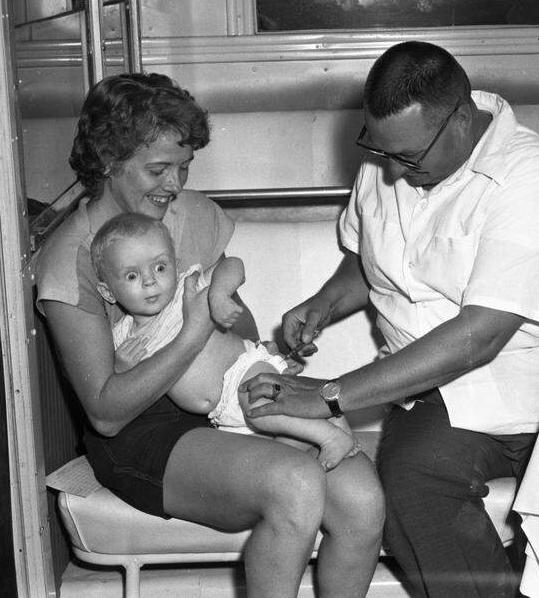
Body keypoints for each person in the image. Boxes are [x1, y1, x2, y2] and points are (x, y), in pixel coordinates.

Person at [243, 41, 539, 598]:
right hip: (433, 386)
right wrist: (326, 302)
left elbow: (482, 335)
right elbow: (368, 258)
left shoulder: (534, 177)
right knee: (411, 479)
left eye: (408, 157)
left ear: (462, 119)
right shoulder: (390, 158)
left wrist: (329, 394)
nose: (395, 174)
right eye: (381, 152)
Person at [35, 73, 384, 598]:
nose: (174, 186)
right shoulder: (72, 258)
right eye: (158, 169)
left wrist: (248, 352)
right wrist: (192, 331)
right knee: (295, 482)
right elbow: (107, 412)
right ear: (109, 159)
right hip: (142, 430)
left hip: (220, 392)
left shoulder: (191, 214)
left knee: (361, 498)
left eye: (183, 167)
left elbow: (234, 322)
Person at [91, 211, 360, 470]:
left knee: (262, 412)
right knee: (261, 459)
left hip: (244, 371)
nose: (150, 281)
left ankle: (331, 437)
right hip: (222, 415)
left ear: (175, 264)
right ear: (108, 291)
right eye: (132, 276)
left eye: (160, 267)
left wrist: (219, 293)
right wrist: (122, 364)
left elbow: (233, 266)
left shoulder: (188, 290)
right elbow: (122, 388)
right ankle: (333, 420)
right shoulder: (123, 335)